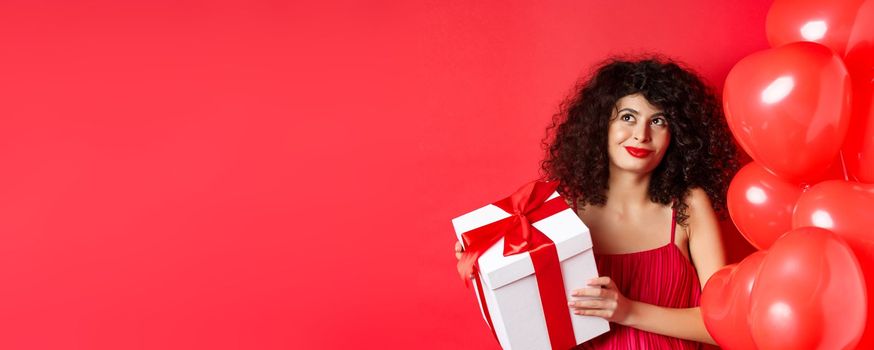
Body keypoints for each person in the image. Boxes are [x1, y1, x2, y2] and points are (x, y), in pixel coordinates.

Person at [454, 56, 738, 348]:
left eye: (658, 121)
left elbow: (723, 324)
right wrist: (480, 257)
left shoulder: (689, 205)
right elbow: (525, 315)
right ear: (601, 124)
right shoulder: (560, 211)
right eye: (628, 117)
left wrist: (628, 311)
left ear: (676, 135)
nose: (641, 135)